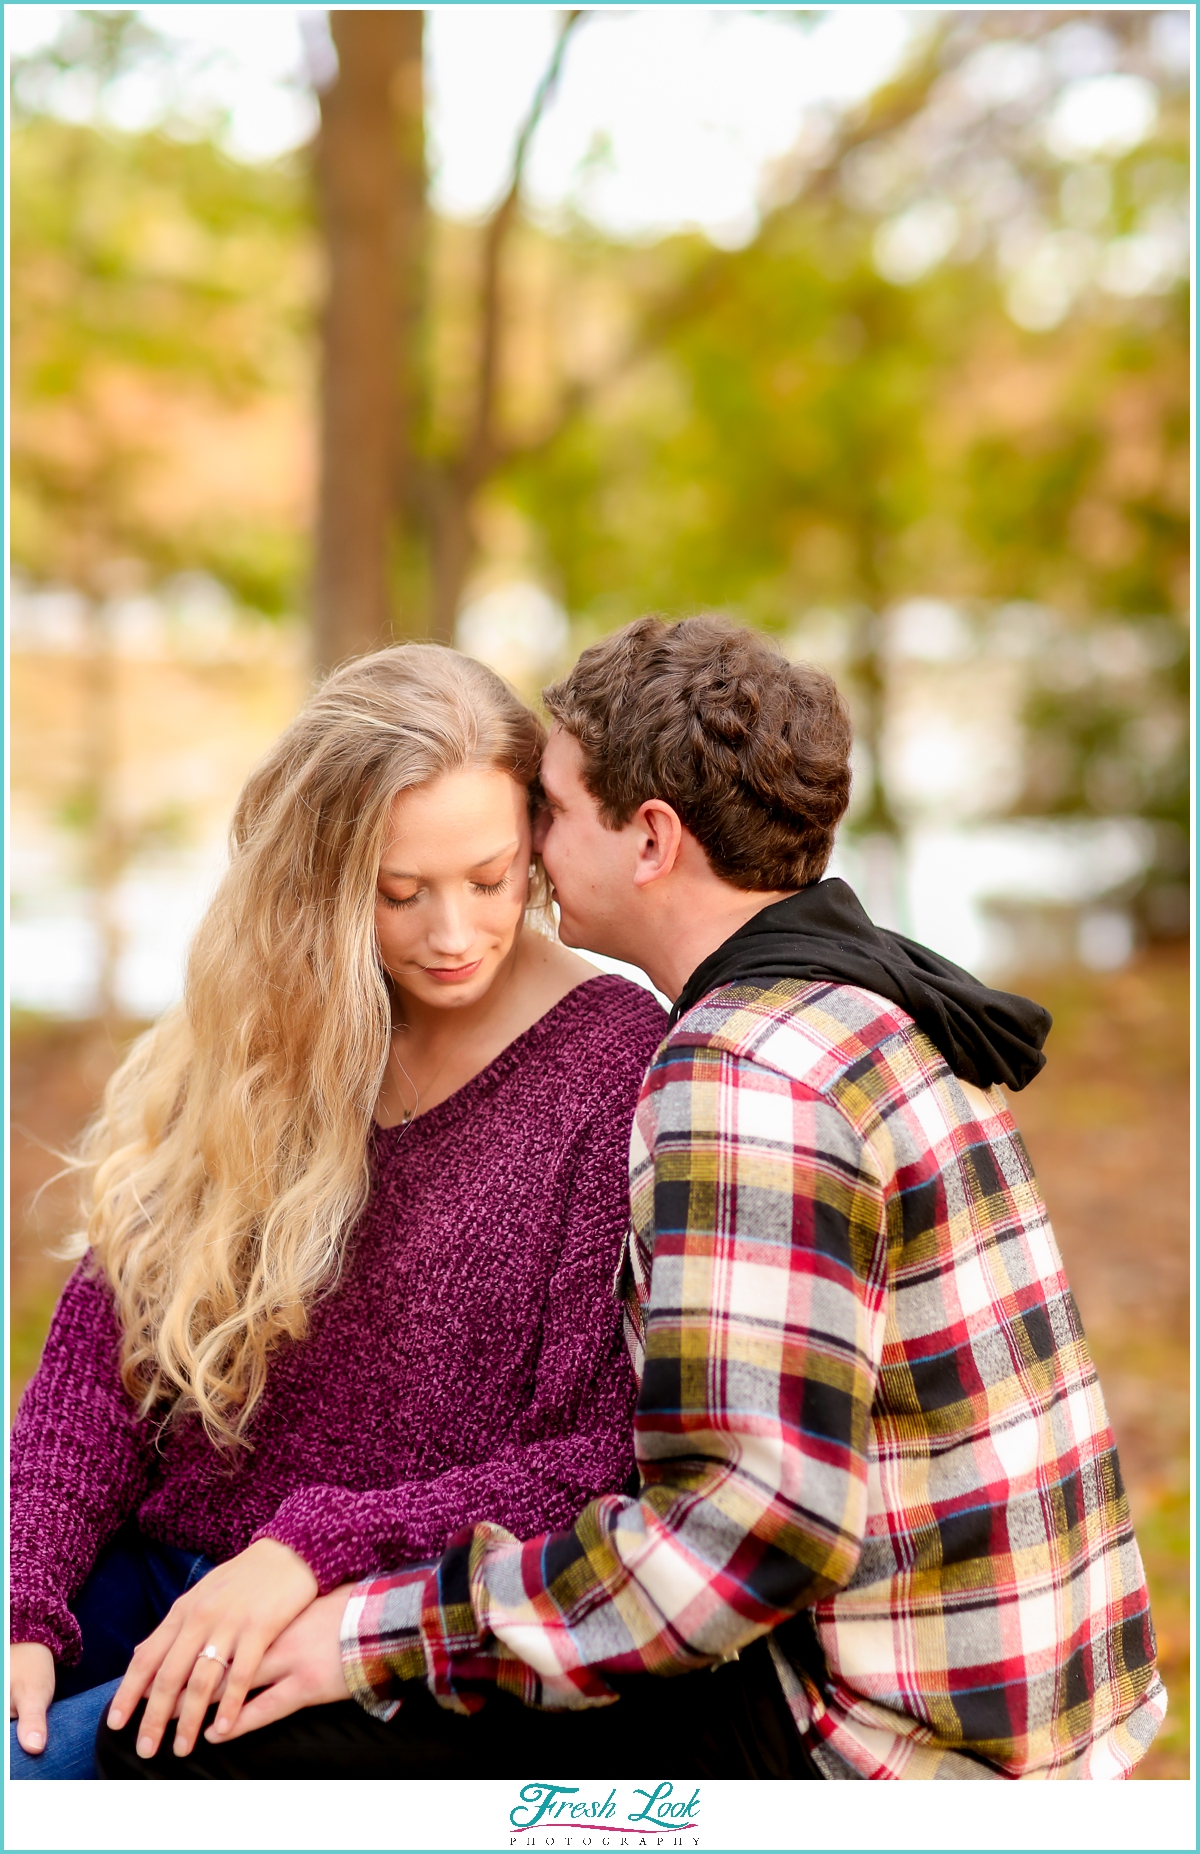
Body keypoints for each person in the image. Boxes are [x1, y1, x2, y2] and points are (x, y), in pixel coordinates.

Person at [97, 615, 1166, 1782]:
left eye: (548, 810)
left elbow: (753, 1533)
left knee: (204, 1755)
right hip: (1040, 1705)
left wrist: (366, 1636)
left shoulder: (742, 1071)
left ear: (649, 839)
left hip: (889, 1753)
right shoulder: (852, 1009)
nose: (535, 843)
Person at [9, 643, 668, 1779]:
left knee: (40, 1785)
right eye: (397, 892)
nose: (451, 934)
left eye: (491, 878)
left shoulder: (617, 1068)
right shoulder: (292, 1014)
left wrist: (316, 1546)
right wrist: (25, 1592)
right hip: (148, 1560)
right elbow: (110, 1346)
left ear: (538, 848)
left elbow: (599, 1463)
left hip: (345, 1628)